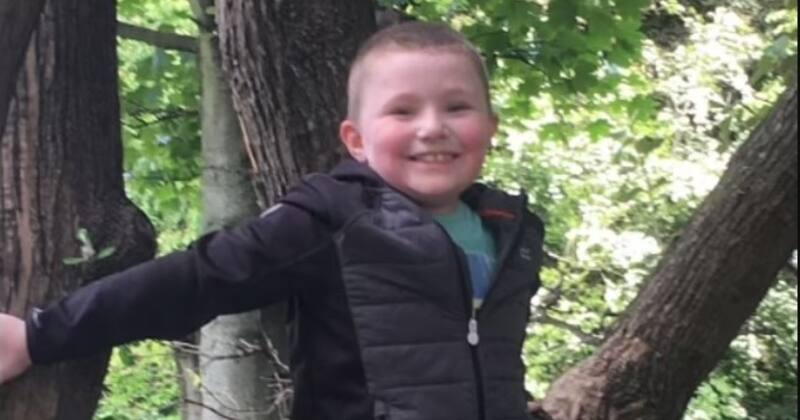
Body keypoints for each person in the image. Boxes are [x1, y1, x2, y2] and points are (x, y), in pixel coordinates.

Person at [0, 22, 548, 420]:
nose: (432, 128)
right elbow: (197, 279)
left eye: (457, 108)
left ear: (490, 127)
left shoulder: (511, 233)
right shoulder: (334, 220)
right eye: (403, 111)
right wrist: (40, 336)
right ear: (356, 140)